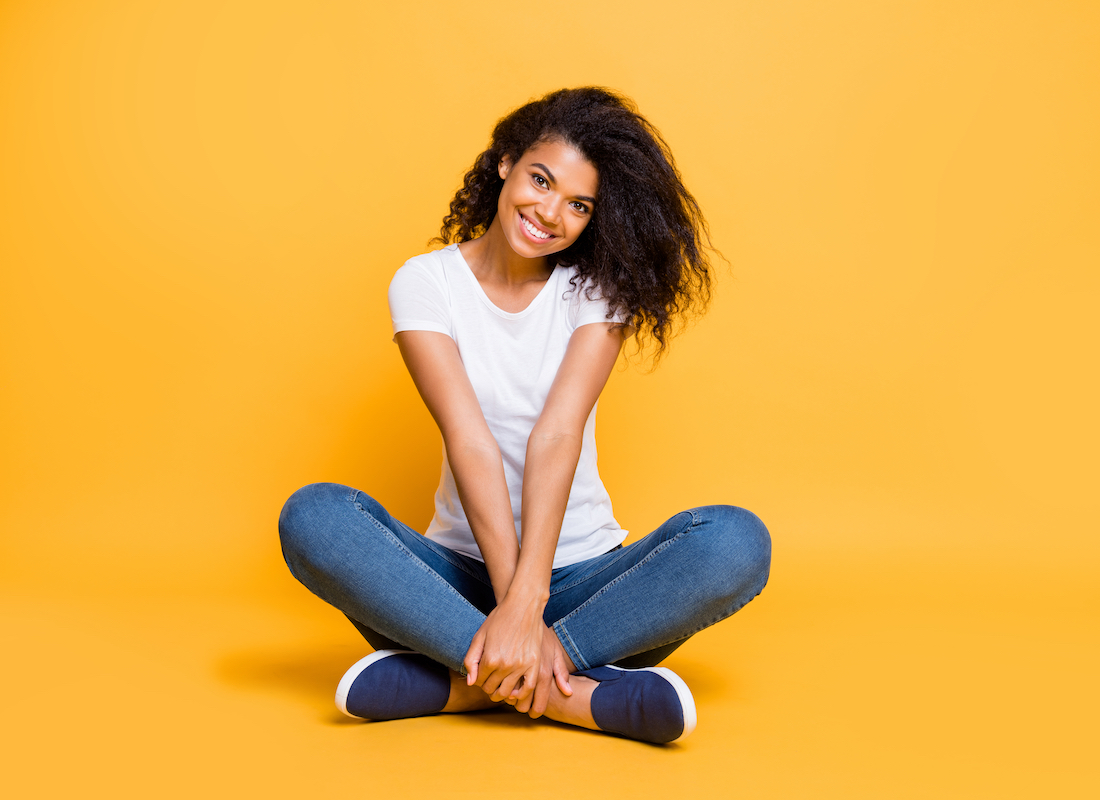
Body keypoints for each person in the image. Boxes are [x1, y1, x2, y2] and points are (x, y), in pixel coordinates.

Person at [278, 87, 770, 744]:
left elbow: (557, 433)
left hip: (585, 586)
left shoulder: (598, 289)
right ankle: (573, 697)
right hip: (450, 587)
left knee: (736, 543)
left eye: (578, 205)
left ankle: (468, 682)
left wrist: (530, 604)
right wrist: (509, 605)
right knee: (314, 518)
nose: (549, 212)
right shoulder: (426, 283)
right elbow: (468, 438)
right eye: (541, 180)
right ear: (506, 162)